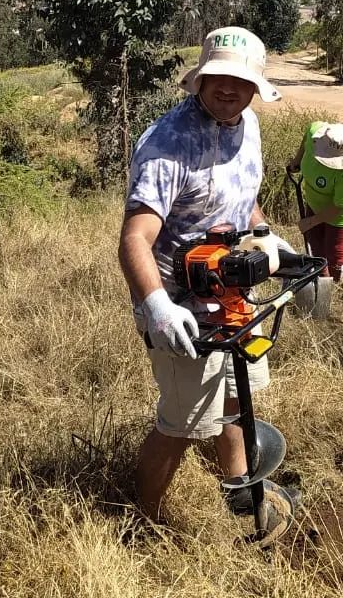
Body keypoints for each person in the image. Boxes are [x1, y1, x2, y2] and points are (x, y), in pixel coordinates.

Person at [118, 26, 296, 526]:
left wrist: (264, 233)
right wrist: (158, 309)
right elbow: (134, 240)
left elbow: (243, 197)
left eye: (241, 82)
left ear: (255, 88)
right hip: (180, 307)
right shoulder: (168, 144)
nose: (228, 89)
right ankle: (142, 521)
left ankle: (240, 494)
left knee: (238, 395)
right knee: (182, 423)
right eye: (218, 77)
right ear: (200, 78)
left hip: (233, 290)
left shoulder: (248, 127)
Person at [286, 121, 343, 282]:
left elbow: (339, 207)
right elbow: (307, 137)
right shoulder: (315, 134)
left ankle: (337, 282)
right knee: (315, 242)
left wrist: (310, 221)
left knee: (334, 249)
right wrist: (297, 160)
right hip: (317, 200)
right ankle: (323, 279)